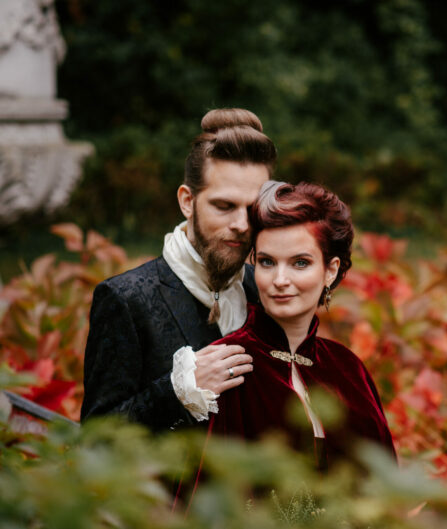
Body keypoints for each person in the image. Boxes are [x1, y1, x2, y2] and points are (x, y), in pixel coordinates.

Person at [81, 108, 276, 431]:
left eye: (253, 209)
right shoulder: (125, 299)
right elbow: (96, 438)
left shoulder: (265, 289)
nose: (242, 225)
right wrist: (177, 392)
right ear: (188, 201)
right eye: (224, 206)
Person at [199, 181, 395, 471]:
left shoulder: (349, 369)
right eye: (267, 262)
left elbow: (386, 487)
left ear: (330, 270)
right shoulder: (225, 362)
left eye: (300, 263)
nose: (279, 280)